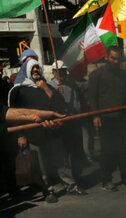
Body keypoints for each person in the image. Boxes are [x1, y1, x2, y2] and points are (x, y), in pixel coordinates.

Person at [9, 60, 86, 201]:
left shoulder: (46, 86)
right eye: (33, 68)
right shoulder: (18, 91)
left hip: (52, 131)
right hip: (33, 134)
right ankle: (48, 191)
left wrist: (46, 88)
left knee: (61, 160)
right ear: (27, 71)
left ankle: (70, 185)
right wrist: (20, 135)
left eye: (38, 67)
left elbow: (59, 104)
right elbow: (14, 115)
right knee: (41, 165)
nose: (36, 70)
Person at [88, 46, 126, 191]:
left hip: (123, 117)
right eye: (113, 58)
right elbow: (92, 97)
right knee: (107, 151)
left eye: (118, 59)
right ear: (106, 57)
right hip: (106, 118)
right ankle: (106, 180)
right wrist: (95, 115)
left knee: (125, 149)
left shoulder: (124, 75)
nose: (116, 61)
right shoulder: (97, 75)